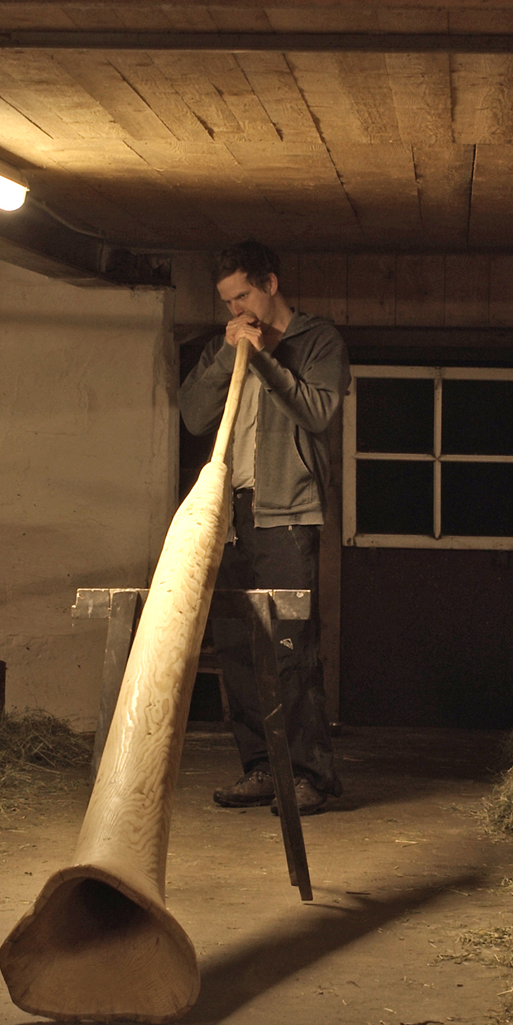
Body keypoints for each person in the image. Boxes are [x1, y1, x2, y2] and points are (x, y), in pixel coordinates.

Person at [178, 240, 349, 815]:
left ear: (270, 285)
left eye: (242, 295)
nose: (235, 310)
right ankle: (260, 768)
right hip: (229, 517)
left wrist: (264, 359)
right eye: (226, 301)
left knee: (288, 647)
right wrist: (230, 356)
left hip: (287, 516)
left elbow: (318, 412)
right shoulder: (223, 344)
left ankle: (310, 777)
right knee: (236, 648)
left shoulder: (317, 340)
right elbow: (193, 414)